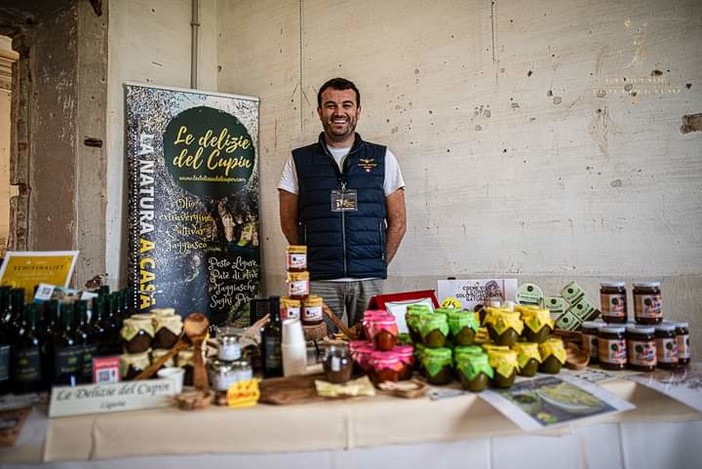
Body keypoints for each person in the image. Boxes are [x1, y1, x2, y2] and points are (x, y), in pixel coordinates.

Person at [278, 77, 407, 332]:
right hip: (319, 282)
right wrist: (310, 262)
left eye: (347, 105)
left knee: (372, 348)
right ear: (319, 111)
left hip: (369, 280)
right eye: (330, 105)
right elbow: (288, 222)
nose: (339, 112)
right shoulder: (298, 160)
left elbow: (399, 222)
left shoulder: (383, 158)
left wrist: (379, 262)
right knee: (320, 351)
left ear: (358, 111)